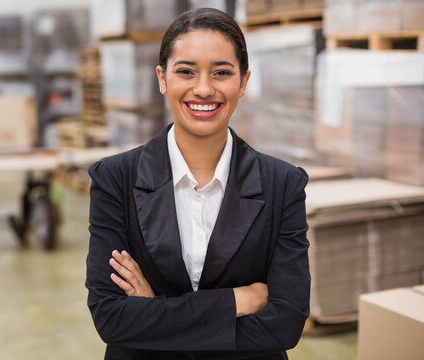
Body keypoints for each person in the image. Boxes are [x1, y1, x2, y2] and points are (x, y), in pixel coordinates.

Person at [86, 8, 310, 360]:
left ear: (244, 81)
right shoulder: (115, 179)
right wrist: (236, 301)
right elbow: (111, 317)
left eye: (222, 72)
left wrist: (155, 310)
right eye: (186, 72)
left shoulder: (282, 184)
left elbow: (286, 322)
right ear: (162, 79)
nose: (203, 89)